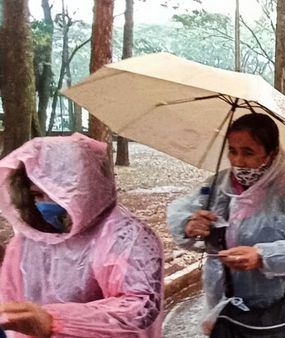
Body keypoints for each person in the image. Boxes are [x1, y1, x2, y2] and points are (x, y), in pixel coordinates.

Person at [167, 113, 285, 338]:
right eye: (232, 151)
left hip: (281, 309)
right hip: (225, 305)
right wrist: (189, 224)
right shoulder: (218, 186)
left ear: (271, 154)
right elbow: (182, 211)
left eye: (248, 152)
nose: (238, 161)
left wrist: (263, 256)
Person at [0, 133, 164, 338]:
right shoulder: (28, 240)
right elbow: (9, 299)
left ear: (86, 187)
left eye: (59, 192)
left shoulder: (126, 236)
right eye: (36, 195)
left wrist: (55, 321)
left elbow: (139, 307)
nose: (46, 203)